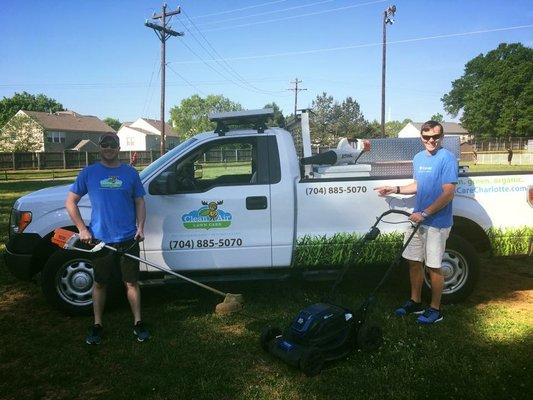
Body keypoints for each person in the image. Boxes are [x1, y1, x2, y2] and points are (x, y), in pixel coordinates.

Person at [65, 132, 149, 344]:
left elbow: (139, 202)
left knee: (131, 282)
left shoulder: (130, 173)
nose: (109, 148)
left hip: (129, 238)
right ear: (100, 147)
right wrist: (83, 229)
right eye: (105, 144)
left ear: (119, 147)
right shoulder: (89, 173)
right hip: (100, 240)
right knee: (100, 283)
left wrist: (140, 227)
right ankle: (97, 324)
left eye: (113, 144)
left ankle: (138, 323)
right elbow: (70, 202)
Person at [374, 120, 458, 324]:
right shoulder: (419, 158)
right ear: (421, 137)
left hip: (436, 222)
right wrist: (395, 189)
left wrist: (426, 213)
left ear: (442, 137)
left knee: (434, 266)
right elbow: (418, 184)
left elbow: (448, 193)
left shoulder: (447, 158)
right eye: (427, 137)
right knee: (413, 262)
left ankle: (436, 310)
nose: (431, 141)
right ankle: (415, 301)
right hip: (418, 219)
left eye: (436, 137)